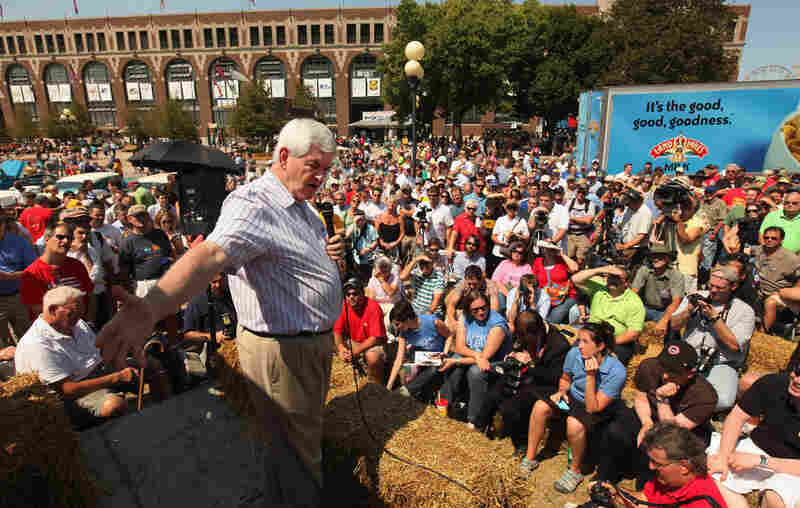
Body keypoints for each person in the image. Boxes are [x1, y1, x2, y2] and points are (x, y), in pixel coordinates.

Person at [95, 118, 345, 505]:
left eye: (326, 169)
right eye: (314, 166)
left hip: (308, 345)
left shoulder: (306, 209)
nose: (321, 177)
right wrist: (151, 308)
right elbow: (210, 254)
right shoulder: (253, 203)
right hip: (283, 350)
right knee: (299, 452)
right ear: (283, 156)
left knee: (290, 446)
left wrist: (327, 259)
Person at [14, 286, 167, 425]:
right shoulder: (38, 344)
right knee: (114, 405)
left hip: (97, 372)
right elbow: (66, 390)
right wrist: (116, 377)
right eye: (73, 314)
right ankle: (113, 441)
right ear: (53, 310)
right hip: (73, 393)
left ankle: (162, 415)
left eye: (80, 313)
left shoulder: (74, 322)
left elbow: (98, 352)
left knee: (152, 365)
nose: (79, 318)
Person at [520, 321, 627, 494]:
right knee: (540, 406)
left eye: (584, 342)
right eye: (578, 341)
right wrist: (562, 391)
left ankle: (574, 471)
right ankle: (530, 457)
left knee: (574, 423)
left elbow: (594, 408)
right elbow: (565, 378)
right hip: (573, 398)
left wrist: (591, 376)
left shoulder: (617, 371)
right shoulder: (574, 354)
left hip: (597, 408)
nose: (579, 346)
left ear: (600, 345)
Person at [592, 341, 718, 486]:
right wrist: (646, 422)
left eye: (672, 371)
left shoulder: (705, 396)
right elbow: (641, 399)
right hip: (651, 417)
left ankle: (647, 488)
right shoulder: (649, 366)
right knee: (616, 429)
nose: (664, 375)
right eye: (663, 366)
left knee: (661, 451)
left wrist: (662, 399)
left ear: (689, 373)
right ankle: (605, 477)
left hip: (681, 433)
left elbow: (672, 431)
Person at [707, 365, 800, 508]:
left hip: (793, 466)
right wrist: (723, 456)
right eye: (797, 372)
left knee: (776, 500)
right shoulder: (774, 382)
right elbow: (737, 417)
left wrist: (761, 461)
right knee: (713, 475)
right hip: (757, 447)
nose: (797, 380)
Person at [478, 310, 570, 454]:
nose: (521, 340)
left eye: (525, 337)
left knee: (511, 407)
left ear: (537, 332)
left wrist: (531, 365)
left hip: (545, 386)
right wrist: (513, 356)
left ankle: (521, 443)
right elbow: (518, 348)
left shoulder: (559, 346)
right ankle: (479, 430)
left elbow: (554, 378)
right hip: (524, 375)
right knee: (494, 393)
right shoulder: (524, 333)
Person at [669, 266, 754, 411]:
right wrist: (688, 311)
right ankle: (695, 404)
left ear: (733, 286)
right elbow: (674, 325)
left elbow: (734, 345)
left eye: (720, 288)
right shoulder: (696, 296)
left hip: (720, 363)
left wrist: (715, 319)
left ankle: (689, 404)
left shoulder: (745, 311)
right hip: (688, 356)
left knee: (724, 400)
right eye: (711, 286)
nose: (713, 291)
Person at [593, 423, 728, 508]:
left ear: (684, 467)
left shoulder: (701, 503)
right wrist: (615, 493)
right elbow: (645, 499)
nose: (651, 467)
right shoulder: (669, 479)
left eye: (657, 463)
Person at [438, 289, 511, 430]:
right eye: (475, 310)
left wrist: (460, 360)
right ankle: (446, 404)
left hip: (497, 362)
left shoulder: (497, 325)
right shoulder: (465, 317)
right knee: (454, 360)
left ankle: (475, 419)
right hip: (477, 355)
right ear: (468, 310)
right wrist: (476, 355)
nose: (481, 312)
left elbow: (486, 357)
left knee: (475, 372)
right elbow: (459, 346)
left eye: (484, 308)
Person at [570, 264, 645, 365]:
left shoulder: (634, 302)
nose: (613, 280)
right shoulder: (599, 288)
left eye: (617, 278)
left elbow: (633, 334)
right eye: (611, 276)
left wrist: (606, 342)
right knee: (572, 356)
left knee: (608, 365)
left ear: (626, 283)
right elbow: (575, 279)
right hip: (591, 335)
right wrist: (602, 269)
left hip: (616, 341)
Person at [20, 223, 93, 319]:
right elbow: (37, 309)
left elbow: (90, 296)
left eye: (70, 238)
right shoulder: (32, 273)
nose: (66, 241)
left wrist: (90, 322)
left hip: (81, 328)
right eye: (60, 237)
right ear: (46, 239)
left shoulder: (77, 266)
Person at [386, 300, 452, 400]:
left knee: (434, 368)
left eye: (398, 324)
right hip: (422, 356)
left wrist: (445, 353)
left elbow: (450, 335)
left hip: (438, 355)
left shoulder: (432, 322)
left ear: (407, 319)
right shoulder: (403, 333)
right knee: (408, 365)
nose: (396, 327)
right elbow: (399, 360)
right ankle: (411, 392)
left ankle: (406, 391)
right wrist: (388, 387)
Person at [333, 278, 386, 384]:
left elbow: (375, 338)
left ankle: (377, 387)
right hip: (354, 342)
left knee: (372, 357)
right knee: (326, 338)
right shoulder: (344, 306)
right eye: (348, 294)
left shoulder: (373, 307)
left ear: (362, 293)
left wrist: (355, 351)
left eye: (355, 294)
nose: (351, 297)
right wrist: (341, 348)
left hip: (373, 344)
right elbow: (337, 330)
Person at [0, 210, 37, 346]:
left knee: (26, 339)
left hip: (18, 298)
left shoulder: (20, 242)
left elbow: (34, 270)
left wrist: (10, 276)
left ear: (4, 224)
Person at [631, 244, 685, 335]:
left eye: (660, 256)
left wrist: (664, 321)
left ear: (667, 258)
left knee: (670, 327)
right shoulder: (644, 270)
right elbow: (633, 293)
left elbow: (676, 301)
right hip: (645, 307)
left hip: (665, 310)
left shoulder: (676, 275)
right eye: (653, 256)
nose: (656, 259)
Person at [532, 241, 579, 324]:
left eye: (551, 249)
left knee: (551, 320)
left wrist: (562, 255)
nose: (547, 252)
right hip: (545, 298)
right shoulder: (538, 261)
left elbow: (575, 268)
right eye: (545, 249)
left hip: (565, 297)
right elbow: (534, 280)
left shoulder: (561, 261)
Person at [400, 251, 446, 317]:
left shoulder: (438, 277)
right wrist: (415, 260)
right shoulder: (417, 272)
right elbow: (402, 277)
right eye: (421, 263)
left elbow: (435, 303)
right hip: (415, 310)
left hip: (432, 313)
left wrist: (423, 318)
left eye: (426, 263)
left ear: (432, 263)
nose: (424, 266)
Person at [759, 187, 800, 253]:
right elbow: (761, 235)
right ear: (783, 203)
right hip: (773, 255)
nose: (790, 205)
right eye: (787, 202)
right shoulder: (772, 216)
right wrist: (767, 252)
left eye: (794, 203)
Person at [566, 184, 596, 267]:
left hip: (583, 234)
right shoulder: (570, 202)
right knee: (568, 257)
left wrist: (572, 219)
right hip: (570, 234)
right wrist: (582, 221)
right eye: (579, 191)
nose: (580, 194)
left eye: (583, 192)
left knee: (581, 259)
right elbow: (565, 218)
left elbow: (588, 221)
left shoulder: (590, 204)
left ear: (586, 193)